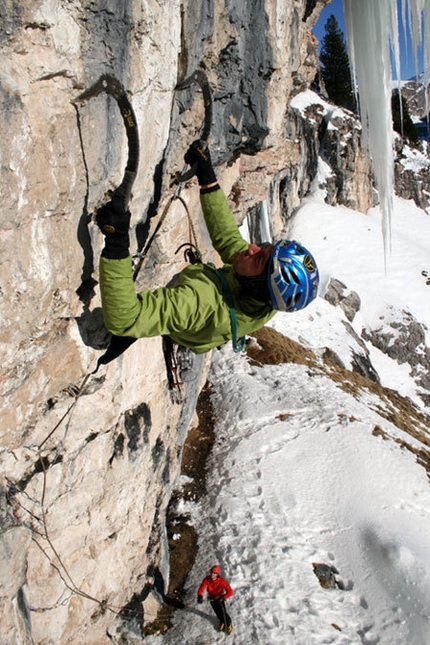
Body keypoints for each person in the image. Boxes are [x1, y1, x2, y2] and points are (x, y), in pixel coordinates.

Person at [96, 141, 319, 355]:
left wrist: (116, 244)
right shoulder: (266, 299)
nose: (252, 247)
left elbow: (125, 320)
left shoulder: (198, 302)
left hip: (192, 317)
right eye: (264, 248)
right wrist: (208, 181)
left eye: (259, 258)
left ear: (258, 287)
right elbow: (229, 239)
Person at [197, 564, 233, 633]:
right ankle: (222, 621)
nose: (212, 574)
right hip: (212, 598)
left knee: (223, 612)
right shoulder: (207, 579)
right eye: (211, 572)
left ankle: (229, 624)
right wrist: (199, 595)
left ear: (217, 574)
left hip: (220, 598)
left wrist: (223, 597)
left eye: (214, 573)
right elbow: (202, 587)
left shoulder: (221, 581)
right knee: (217, 612)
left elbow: (230, 591)